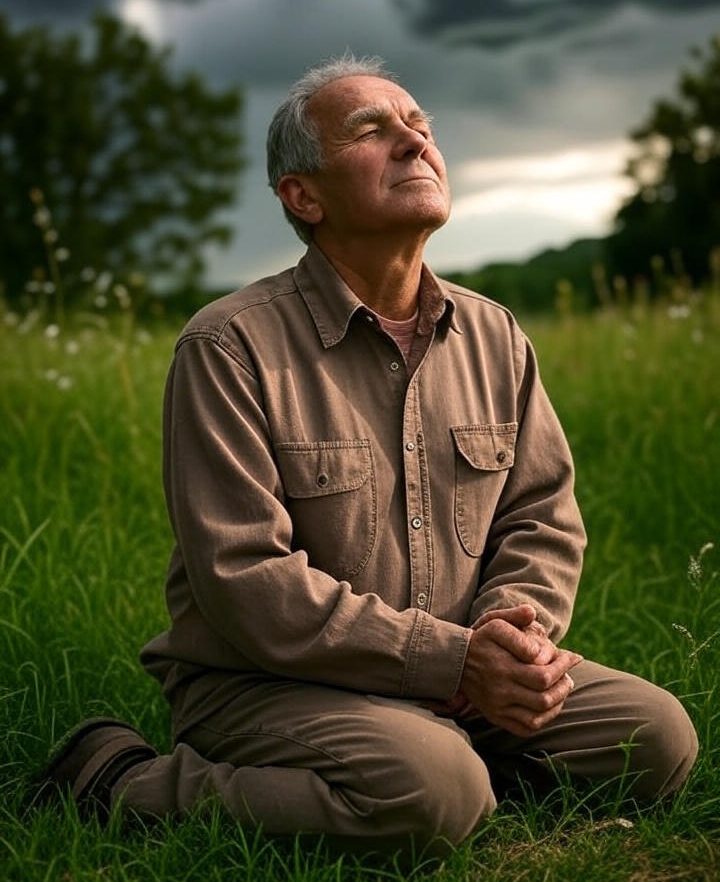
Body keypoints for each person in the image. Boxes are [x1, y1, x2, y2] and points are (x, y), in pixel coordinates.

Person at [35, 54, 698, 856]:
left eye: (420, 125)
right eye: (371, 131)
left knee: (658, 739)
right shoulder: (228, 346)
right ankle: (121, 779)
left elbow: (541, 518)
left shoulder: (496, 337)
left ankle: (442, 759)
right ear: (302, 196)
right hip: (268, 684)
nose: (414, 142)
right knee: (434, 794)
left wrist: (509, 640)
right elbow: (246, 578)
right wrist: (450, 664)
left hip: (460, 673)